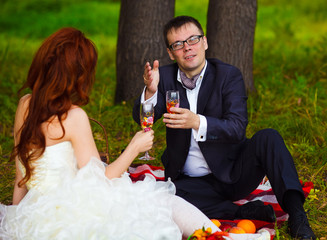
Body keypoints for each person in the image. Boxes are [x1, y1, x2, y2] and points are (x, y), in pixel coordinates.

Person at [0, 27, 272, 240]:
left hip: (38, 210)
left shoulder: (25, 104)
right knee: (160, 200)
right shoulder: (74, 118)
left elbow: (22, 172)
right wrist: (134, 147)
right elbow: (99, 179)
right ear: (78, 75)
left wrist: (16, 215)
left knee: (154, 198)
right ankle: (221, 237)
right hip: (74, 206)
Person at [132, 16, 316, 240]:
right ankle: (242, 212)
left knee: (269, 138)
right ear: (171, 53)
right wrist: (150, 92)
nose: (187, 48)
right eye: (178, 44)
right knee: (165, 199)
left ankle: (297, 215)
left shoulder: (228, 75)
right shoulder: (166, 77)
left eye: (193, 39)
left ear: (205, 42)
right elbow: (140, 118)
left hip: (233, 173)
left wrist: (197, 121)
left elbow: (237, 128)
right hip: (190, 183)